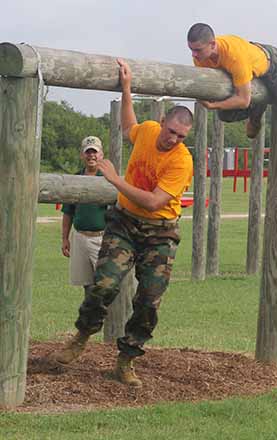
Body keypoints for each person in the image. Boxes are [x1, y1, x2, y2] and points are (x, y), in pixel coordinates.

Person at [50, 58, 194, 388]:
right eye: (172, 131)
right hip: (125, 224)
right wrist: (126, 88)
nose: (174, 139)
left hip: (160, 232)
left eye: (182, 136)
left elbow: (155, 201)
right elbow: (129, 125)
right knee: (104, 285)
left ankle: (127, 358)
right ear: (162, 122)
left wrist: (114, 179)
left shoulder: (182, 160)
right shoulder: (148, 132)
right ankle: (81, 336)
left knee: (149, 298)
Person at [61, 136, 107, 299]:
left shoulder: (107, 179)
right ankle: (91, 321)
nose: (91, 156)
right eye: (88, 152)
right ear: (82, 155)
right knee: (87, 285)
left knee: (104, 284)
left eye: (94, 152)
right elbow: (68, 213)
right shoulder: (75, 179)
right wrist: (65, 239)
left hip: (102, 238)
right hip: (79, 237)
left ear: (101, 154)